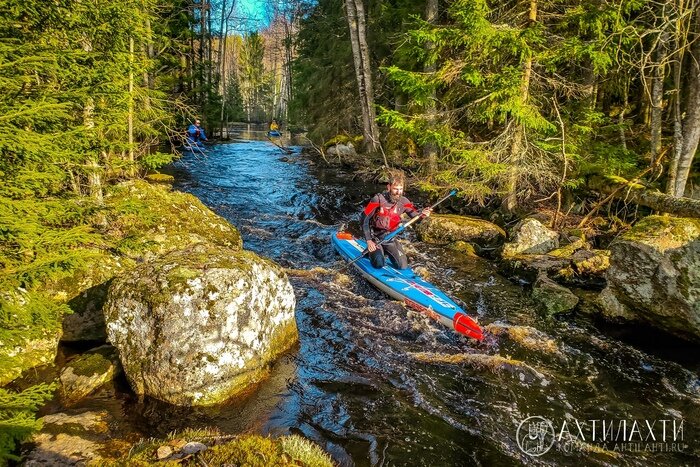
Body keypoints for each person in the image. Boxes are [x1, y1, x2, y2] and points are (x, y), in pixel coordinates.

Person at [361, 170, 431, 269]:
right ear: (389, 187)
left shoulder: (404, 202)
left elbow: (416, 217)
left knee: (402, 266)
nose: (398, 192)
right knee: (379, 264)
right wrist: (368, 240)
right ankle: (371, 253)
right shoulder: (377, 199)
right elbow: (364, 219)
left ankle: (383, 251)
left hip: (391, 238)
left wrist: (423, 215)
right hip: (376, 238)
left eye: (400, 189)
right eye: (395, 189)